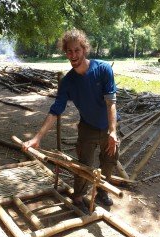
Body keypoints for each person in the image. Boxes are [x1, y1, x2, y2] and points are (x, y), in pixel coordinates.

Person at [22, 29, 119, 214]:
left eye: (77, 50)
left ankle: (102, 192)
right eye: (69, 51)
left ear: (84, 49)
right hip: (88, 127)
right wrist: (38, 137)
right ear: (65, 52)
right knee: (84, 165)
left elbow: (111, 103)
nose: (73, 55)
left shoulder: (103, 69)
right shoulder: (68, 81)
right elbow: (55, 111)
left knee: (109, 161)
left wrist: (112, 131)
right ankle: (78, 197)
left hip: (109, 124)